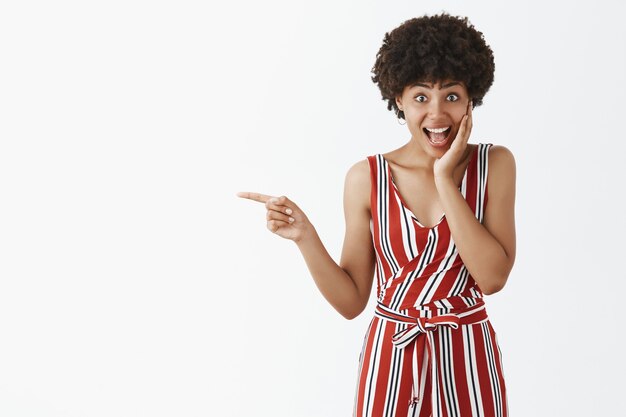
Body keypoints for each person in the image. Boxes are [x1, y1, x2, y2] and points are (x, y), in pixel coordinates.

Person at [237, 12, 516, 417]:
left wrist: (444, 180)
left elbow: (492, 279)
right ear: (398, 100)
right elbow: (352, 301)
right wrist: (306, 237)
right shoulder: (367, 178)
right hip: (392, 359)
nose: (437, 114)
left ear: (471, 98)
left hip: (468, 354)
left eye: (451, 96)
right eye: (421, 96)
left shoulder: (496, 164)